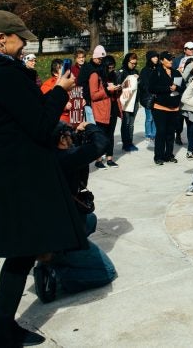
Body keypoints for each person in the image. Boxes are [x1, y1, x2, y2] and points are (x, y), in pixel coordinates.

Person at [0, 10, 87, 346]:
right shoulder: (5, 74)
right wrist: (60, 90)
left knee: (22, 252)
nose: (24, 44)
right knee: (21, 251)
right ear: (1, 39)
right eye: (20, 38)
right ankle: (0, 334)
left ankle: (3, 329)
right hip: (21, 173)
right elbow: (38, 124)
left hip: (13, 169)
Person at [33, 121, 116, 303]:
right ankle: (54, 271)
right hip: (58, 230)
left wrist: (75, 135)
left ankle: (55, 255)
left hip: (42, 227)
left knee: (90, 219)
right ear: (62, 140)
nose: (72, 137)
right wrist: (89, 127)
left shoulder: (42, 155)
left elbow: (77, 153)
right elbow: (101, 144)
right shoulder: (65, 158)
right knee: (107, 272)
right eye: (68, 135)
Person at [77, 45, 119, 168]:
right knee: (98, 133)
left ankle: (109, 158)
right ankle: (98, 159)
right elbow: (90, 91)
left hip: (111, 106)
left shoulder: (110, 74)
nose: (110, 69)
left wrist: (117, 89)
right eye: (100, 60)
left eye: (112, 67)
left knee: (110, 134)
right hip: (93, 105)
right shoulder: (92, 71)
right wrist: (106, 90)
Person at [149, 51, 183, 165]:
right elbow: (152, 88)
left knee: (170, 132)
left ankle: (169, 155)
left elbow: (183, 87)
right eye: (168, 59)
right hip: (160, 107)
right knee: (161, 131)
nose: (171, 61)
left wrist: (177, 87)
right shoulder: (156, 72)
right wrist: (168, 88)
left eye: (172, 59)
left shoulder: (176, 72)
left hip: (174, 107)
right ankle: (158, 156)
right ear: (162, 60)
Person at [118, 53, 140, 152]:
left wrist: (138, 79)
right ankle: (125, 143)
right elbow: (118, 85)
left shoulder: (136, 71)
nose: (134, 65)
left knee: (131, 123)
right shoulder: (121, 71)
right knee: (125, 123)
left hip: (134, 101)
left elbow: (139, 86)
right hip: (125, 101)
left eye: (135, 63)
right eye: (132, 63)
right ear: (127, 61)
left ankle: (130, 142)